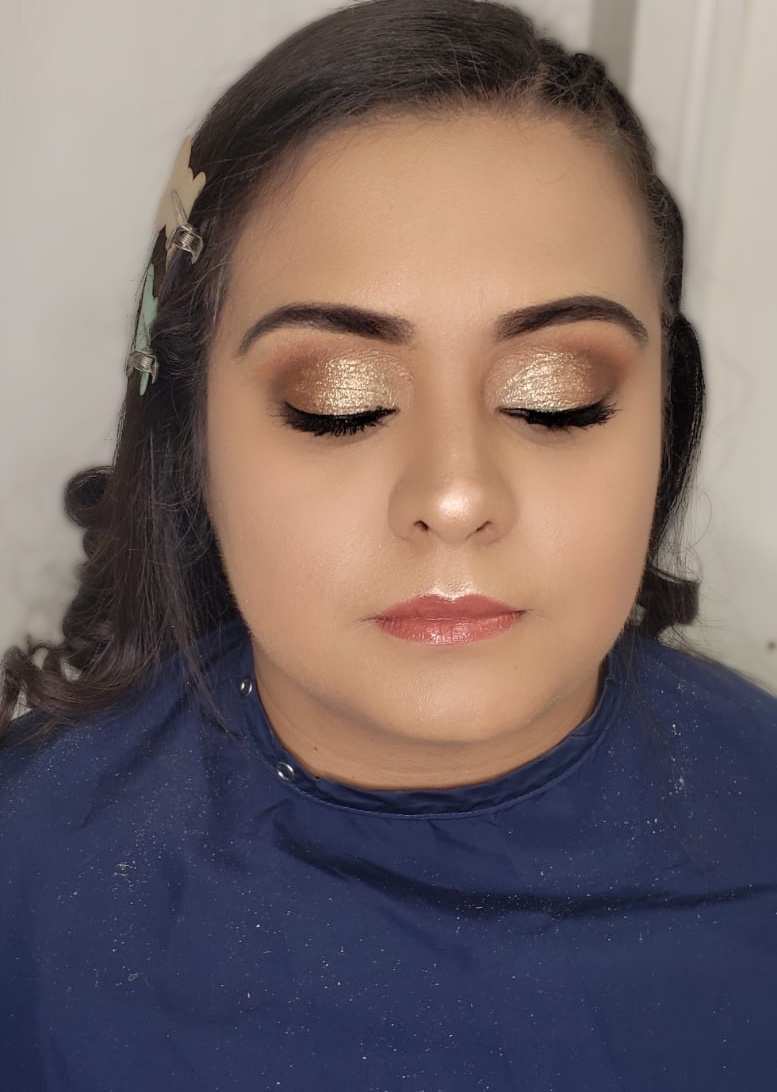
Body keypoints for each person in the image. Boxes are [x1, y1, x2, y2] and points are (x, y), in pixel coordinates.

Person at [1, 0, 775, 1087]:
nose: (454, 497)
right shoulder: (28, 877)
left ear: (662, 422)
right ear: (192, 434)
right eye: (339, 399)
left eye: (556, 393)